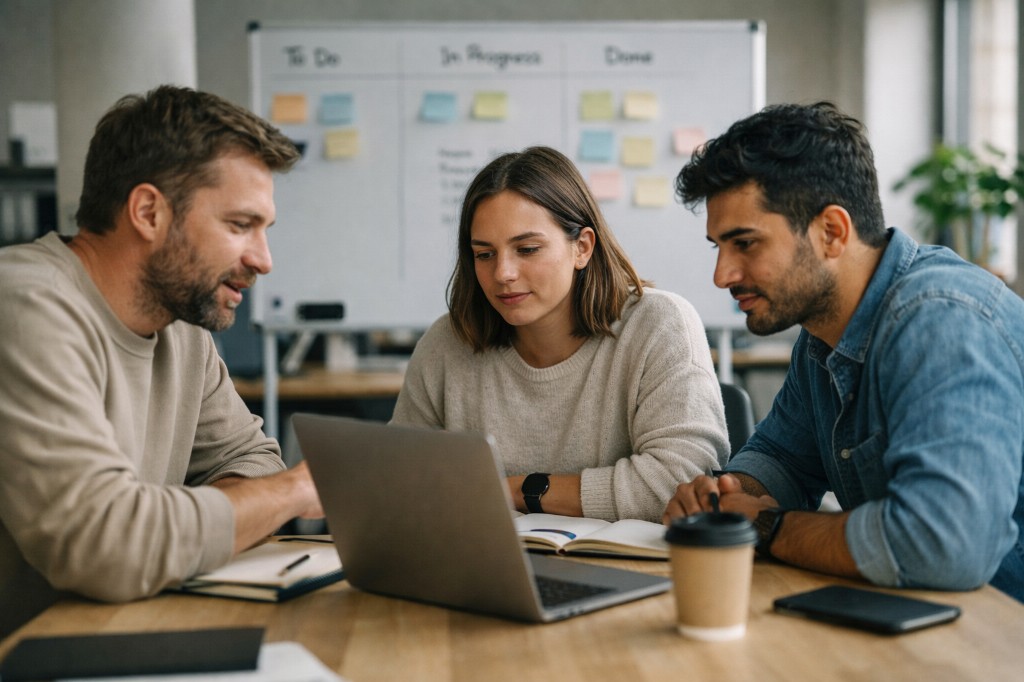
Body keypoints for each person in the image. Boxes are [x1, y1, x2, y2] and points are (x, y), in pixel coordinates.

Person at [665, 101, 1024, 601]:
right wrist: (727, 495)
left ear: (831, 231)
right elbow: (783, 457)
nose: (722, 275)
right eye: (717, 247)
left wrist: (768, 527)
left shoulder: (943, 320)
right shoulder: (823, 332)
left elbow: (943, 544)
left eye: (745, 244)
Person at [0, 85, 324, 623]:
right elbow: (104, 547)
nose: (264, 260)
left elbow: (252, 462)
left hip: (122, 628)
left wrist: (165, 531)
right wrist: (292, 492)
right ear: (148, 212)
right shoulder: (25, 305)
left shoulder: (181, 324)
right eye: (240, 225)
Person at [391, 146, 729, 523]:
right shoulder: (447, 344)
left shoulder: (659, 324)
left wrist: (517, 491)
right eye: (484, 254)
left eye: (527, 249)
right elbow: (402, 481)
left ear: (581, 248)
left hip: (631, 574)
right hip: (483, 569)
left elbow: (681, 486)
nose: (503, 273)